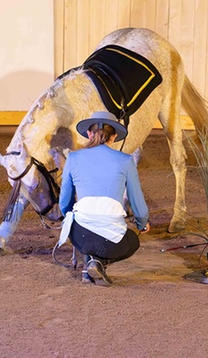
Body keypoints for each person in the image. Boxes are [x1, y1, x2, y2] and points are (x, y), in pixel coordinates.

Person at [56, 110, 150, 286]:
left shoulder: (73, 157)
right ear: (113, 137)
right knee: (133, 242)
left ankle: (91, 262)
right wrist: (142, 223)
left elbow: (64, 202)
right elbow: (136, 199)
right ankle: (100, 263)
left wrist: (69, 217)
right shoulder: (126, 160)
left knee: (83, 219)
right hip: (113, 241)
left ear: (89, 134)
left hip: (79, 235)